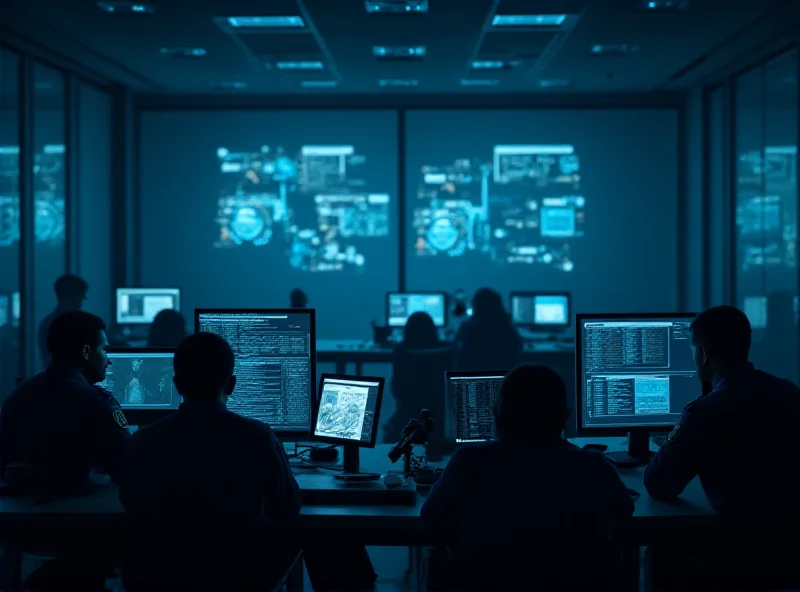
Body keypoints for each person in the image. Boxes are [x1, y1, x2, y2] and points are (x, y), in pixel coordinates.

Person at [120, 332, 377, 591]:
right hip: (239, 578)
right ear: (231, 384)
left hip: (160, 578)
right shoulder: (257, 437)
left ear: (176, 384)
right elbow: (288, 507)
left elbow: (129, 502)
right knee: (332, 532)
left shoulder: (143, 441)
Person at [421, 364, 634, 590]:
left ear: (497, 414)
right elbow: (625, 511)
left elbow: (430, 516)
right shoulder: (594, 467)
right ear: (565, 416)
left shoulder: (468, 462)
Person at [643, 305, 800, 589]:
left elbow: (658, 483)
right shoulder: (789, 392)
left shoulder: (705, 412)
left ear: (702, 353)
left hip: (738, 556)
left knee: (660, 550)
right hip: (791, 551)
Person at [0, 310, 129, 591]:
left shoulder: (18, 396)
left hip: (17, 526)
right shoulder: (95, 402)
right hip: (75, 527)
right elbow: (127, 469)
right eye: (104, 348)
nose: (108, 358)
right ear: (86, 351)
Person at [385, 312, 451, 444]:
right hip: (440, 419)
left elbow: (396, 389)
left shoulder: (401, 350)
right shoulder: (446, 349)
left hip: (407, 416)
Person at [454, 288, 522, 371]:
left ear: (475, 307)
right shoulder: (510, 331)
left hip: (473, 379)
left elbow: (459, 359)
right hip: (504, 380)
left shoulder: (468, 330)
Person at [38, 274, 88, 368]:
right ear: (73, 296)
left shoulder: (47, 323)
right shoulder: (79, 324)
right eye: (81, 296)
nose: (81, 302)